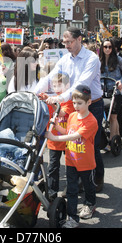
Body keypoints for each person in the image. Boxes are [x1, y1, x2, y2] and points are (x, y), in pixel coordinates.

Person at [35, 27, 104, 192]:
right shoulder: (64, 59)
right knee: (75, 144)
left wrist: (58, 98)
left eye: (70, 42)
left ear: (79, 39)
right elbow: (50, 77)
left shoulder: (91, 58)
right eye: (64, 42)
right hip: (73, 106)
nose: (66, 45)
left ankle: (98, 178)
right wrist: (34, 93)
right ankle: (79, 182)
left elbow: (80, 85)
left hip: (92, 104)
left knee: (90, 145)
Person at [45, 85, 98, 228]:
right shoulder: (73, 116)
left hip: (86, 163)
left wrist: (54, 138)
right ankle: (73, 218)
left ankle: (90, 203)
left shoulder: (91, 121)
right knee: (71, 190)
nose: (76, 106)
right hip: (71, 160)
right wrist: (56, 127)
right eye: (74, 102)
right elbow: (68, 132)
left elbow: (75, 136)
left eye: (79, 103)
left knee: (88, 186)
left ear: (89, 103)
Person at [39, 72, 75, 199]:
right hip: (54, 139)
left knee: (71, 166)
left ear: (67, 86)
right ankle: (52, 193)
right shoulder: (53, 97)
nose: (56, 88)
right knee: (53, 167)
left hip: (67, 138)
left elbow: (62, 113)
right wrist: (44, 98)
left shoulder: (69, 100)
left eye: (59, 85)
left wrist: (52, 103)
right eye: (54, 85)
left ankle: (72, 187)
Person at [99, 39, 122, 141]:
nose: (107, 49)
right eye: (105, 47)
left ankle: (113, 139)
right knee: (106, 116)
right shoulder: (98, 60)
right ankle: (114, 138)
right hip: (102, 91)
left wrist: (121, 81)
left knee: (113, 117)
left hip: (116, 91)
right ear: (102, 48)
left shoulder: (118, 59)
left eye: (110, 47)